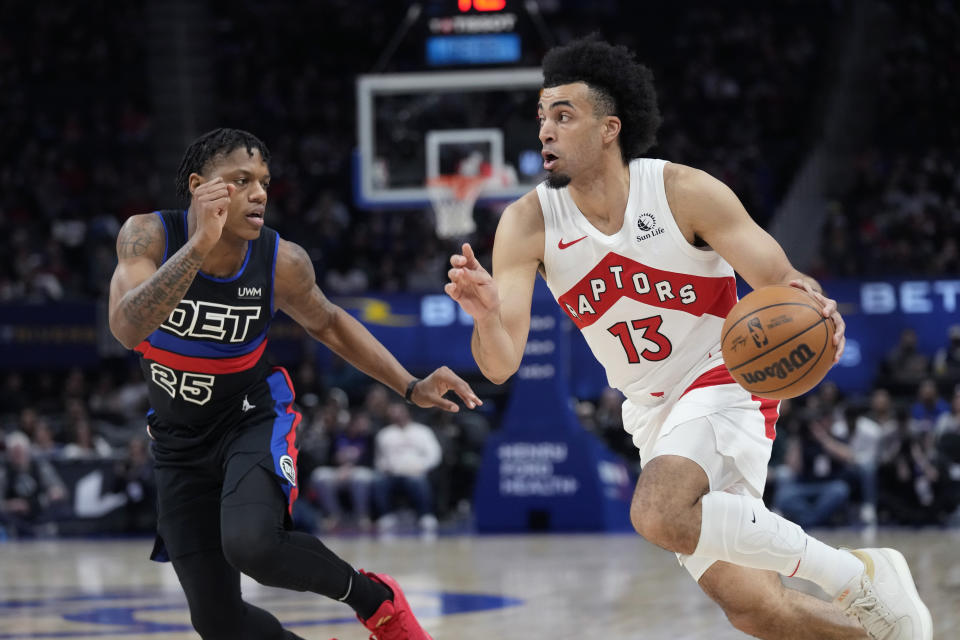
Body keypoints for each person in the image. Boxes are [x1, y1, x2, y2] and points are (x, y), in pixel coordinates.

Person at [445, 37, 932, 640]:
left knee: (655, 512)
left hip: (727, 373)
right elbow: (498, 365)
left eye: (563, 115)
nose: (545, 129)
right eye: (542, 116)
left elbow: (779, 277)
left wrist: (813, 302)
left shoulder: (682, 191)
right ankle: (889, 633)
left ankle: (858, 576)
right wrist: (487, 315)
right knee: (755, 608)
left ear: (608, 129)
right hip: (651, 410)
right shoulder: (527, 222)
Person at [108, 128, 481, 640]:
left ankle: (378, 600)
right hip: (177, 443)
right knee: (217, 622)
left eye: (263, 181)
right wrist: (199, 246)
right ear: (198, 186)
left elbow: (328, 323)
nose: (259, 192)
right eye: (241, 180)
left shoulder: (281, 260)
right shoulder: (146, 235)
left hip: (249, 419)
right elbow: (128, 329)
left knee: (254, 546)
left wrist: (410, 385)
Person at [373, 402, 442, 534]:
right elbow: (379, 460)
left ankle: (426, 515)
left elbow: (435, 455)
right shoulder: (384, 434)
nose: (396, 415)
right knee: (378, 480)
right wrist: (385, 468)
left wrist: (422, 467)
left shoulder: (423, 431)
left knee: (417, 481)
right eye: (392, 412)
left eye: (398, 411)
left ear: (406, 412)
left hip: (416, 472)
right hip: (392, 474)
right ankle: (386, 515)